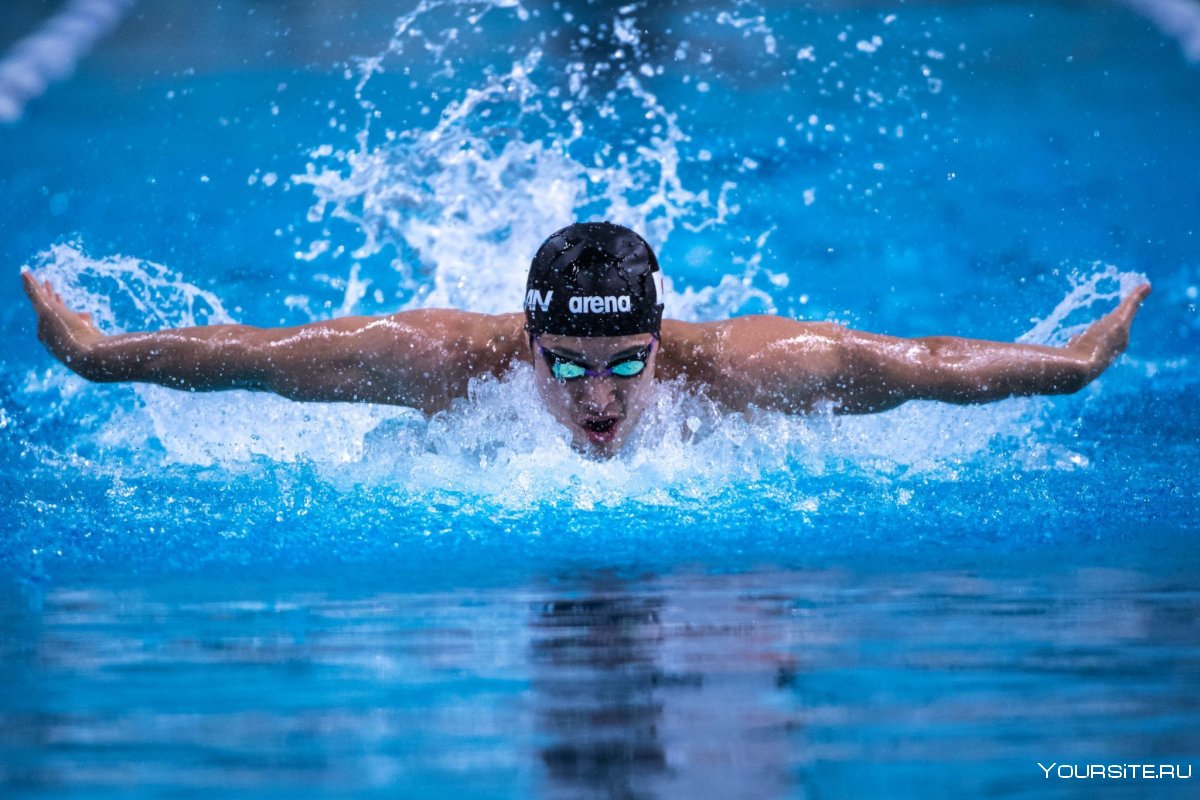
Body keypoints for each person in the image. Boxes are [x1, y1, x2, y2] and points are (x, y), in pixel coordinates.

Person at [23, 222, 1150, 458]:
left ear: (663, 340)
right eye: (567, 365)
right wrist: (95, 353)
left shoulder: (751, 368)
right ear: (529, 340)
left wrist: (1071, 366)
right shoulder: (436, 359)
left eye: (625, 365)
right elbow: (258, 353)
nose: (597, 398)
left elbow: (912, 364)